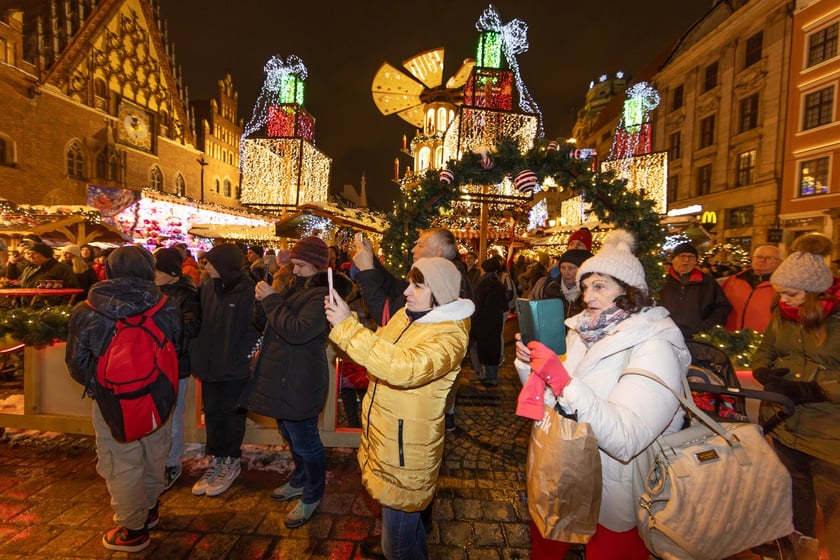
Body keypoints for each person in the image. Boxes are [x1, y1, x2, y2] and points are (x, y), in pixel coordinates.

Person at [514, 230, 689, 559]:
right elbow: (554, 405)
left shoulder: (655, 344)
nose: (588, 296)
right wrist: (531, 367)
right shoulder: (583, 332)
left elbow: (627, 437)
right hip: (566, 469)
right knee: (545, 545)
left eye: (600, 286)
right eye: (585, 287)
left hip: (617, 487)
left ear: (629, 291)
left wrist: (563, 381)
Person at [325, 257, 474, 560]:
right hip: (387, 435)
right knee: (405, 525)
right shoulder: (408, 315)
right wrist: (348, 322)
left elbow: (403, 368)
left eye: (417, 286)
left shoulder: (450, 334)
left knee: (398, 545)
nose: (407, 291)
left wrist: (348, 329)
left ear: (440, 292)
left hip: (407, 449)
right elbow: (382, 346)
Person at [65, 246, 180, 553]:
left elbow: (77, 362)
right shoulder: (166, 305)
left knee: (121, 459)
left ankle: (133, 529)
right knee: (155, 452)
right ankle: (150, 507)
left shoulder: (87, 309)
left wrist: (101, 385)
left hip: (112, 399)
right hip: (159, 395)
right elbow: (176, 347)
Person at [750, 233, 840, 560]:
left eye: (791, 293)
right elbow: (765, 351)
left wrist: (816, 389)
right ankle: (801, 554)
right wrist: (765, 374)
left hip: (829, 433)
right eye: (781, 293)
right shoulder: (784, 314)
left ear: (815, 292)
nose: (784, 299)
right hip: (787, 424)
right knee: (796, 500)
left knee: (833, 508)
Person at [241, 237, 337, 528]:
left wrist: (272, 299)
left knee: (305, 440)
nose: (294, 271)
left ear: (317, 267)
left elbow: (297, 331)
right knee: (290, 432)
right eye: (293, 264)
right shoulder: (297, 287)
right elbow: (270, 324)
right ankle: (299, 480)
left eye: (300, 266)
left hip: (301, 379)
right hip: (283, 376)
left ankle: (312, 493)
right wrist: (263, 302)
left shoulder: (324, 295)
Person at [354, 227, 470, 432]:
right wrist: (372, 261)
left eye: (420, 244)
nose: (413, 247)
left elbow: (386, 316)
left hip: (409, 419)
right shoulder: (436, 281)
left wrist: (366, 271)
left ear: (437, 254)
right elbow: (395, 289)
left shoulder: (445, 290)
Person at [189, 243, 261, 497]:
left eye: (210, 262)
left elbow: (255, 327)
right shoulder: (206, 286)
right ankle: (217, 458)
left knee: (231, 416)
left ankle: (230, 460)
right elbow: (199, 319)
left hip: (233, 368)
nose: (205, 266)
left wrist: (241, 355)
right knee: (213, 413)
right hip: (209, 365)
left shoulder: (247, 289)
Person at [153, 247, 202, 492]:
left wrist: (164, 332)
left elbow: (192, 327)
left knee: (172, 416)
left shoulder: (186, 294)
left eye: (159, 270)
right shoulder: (152, 291)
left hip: (174, 363)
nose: (154, 274)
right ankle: (156, 460)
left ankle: (171, 462)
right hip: (150, 362)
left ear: (172, 272)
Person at [657, 242, 731, 339]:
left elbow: (722, 307)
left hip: (696, 338)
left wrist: (705, 326)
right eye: (682, 256)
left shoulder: (707, 282)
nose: (686, 260)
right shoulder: (660, 280)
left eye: (691, 257)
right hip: (664, 335)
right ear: (673, 260)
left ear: (696, 261)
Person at [721, 245, 782, 333]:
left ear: (780, 262)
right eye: (759, 257)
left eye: (770, 258)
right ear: (752, 259)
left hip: (765, 339)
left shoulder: (784, 286)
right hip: (730, 337)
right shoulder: (733, 280)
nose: (762, 261)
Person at [469, 257, 507, 386]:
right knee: (490, 349)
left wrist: (475, 320)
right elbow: (505, 305)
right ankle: (487, 375)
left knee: (484, 349)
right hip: (494, 322)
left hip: (485, 322)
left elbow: (480, 305)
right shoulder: (497, 283)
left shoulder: (485, 283)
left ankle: (489, 377)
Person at [538, 248, 594, 318]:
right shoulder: (553, 288)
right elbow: (545, 314)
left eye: (571, 268)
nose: (566, 273)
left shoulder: (591, 292)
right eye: (562, 268)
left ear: (582, 270)